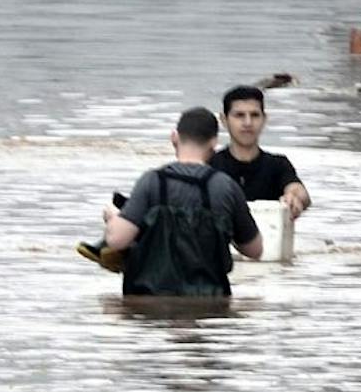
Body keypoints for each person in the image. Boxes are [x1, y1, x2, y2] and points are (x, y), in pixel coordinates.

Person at [97, 106, 264, 297]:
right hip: (210, 305)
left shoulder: (152, 181)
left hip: (149, 304)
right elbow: (254, 250)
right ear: (214, 143)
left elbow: (117, 240)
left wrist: (113, 218)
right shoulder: (226, 186)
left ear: (174, 137)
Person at [210, 83, 312, 220]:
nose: (247, 123)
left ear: (264, 119)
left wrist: (294, 198)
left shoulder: (278, 165)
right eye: (239, 115)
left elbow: (297, 190)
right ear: (224, 120)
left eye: (254, 115)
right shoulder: (210, 166)